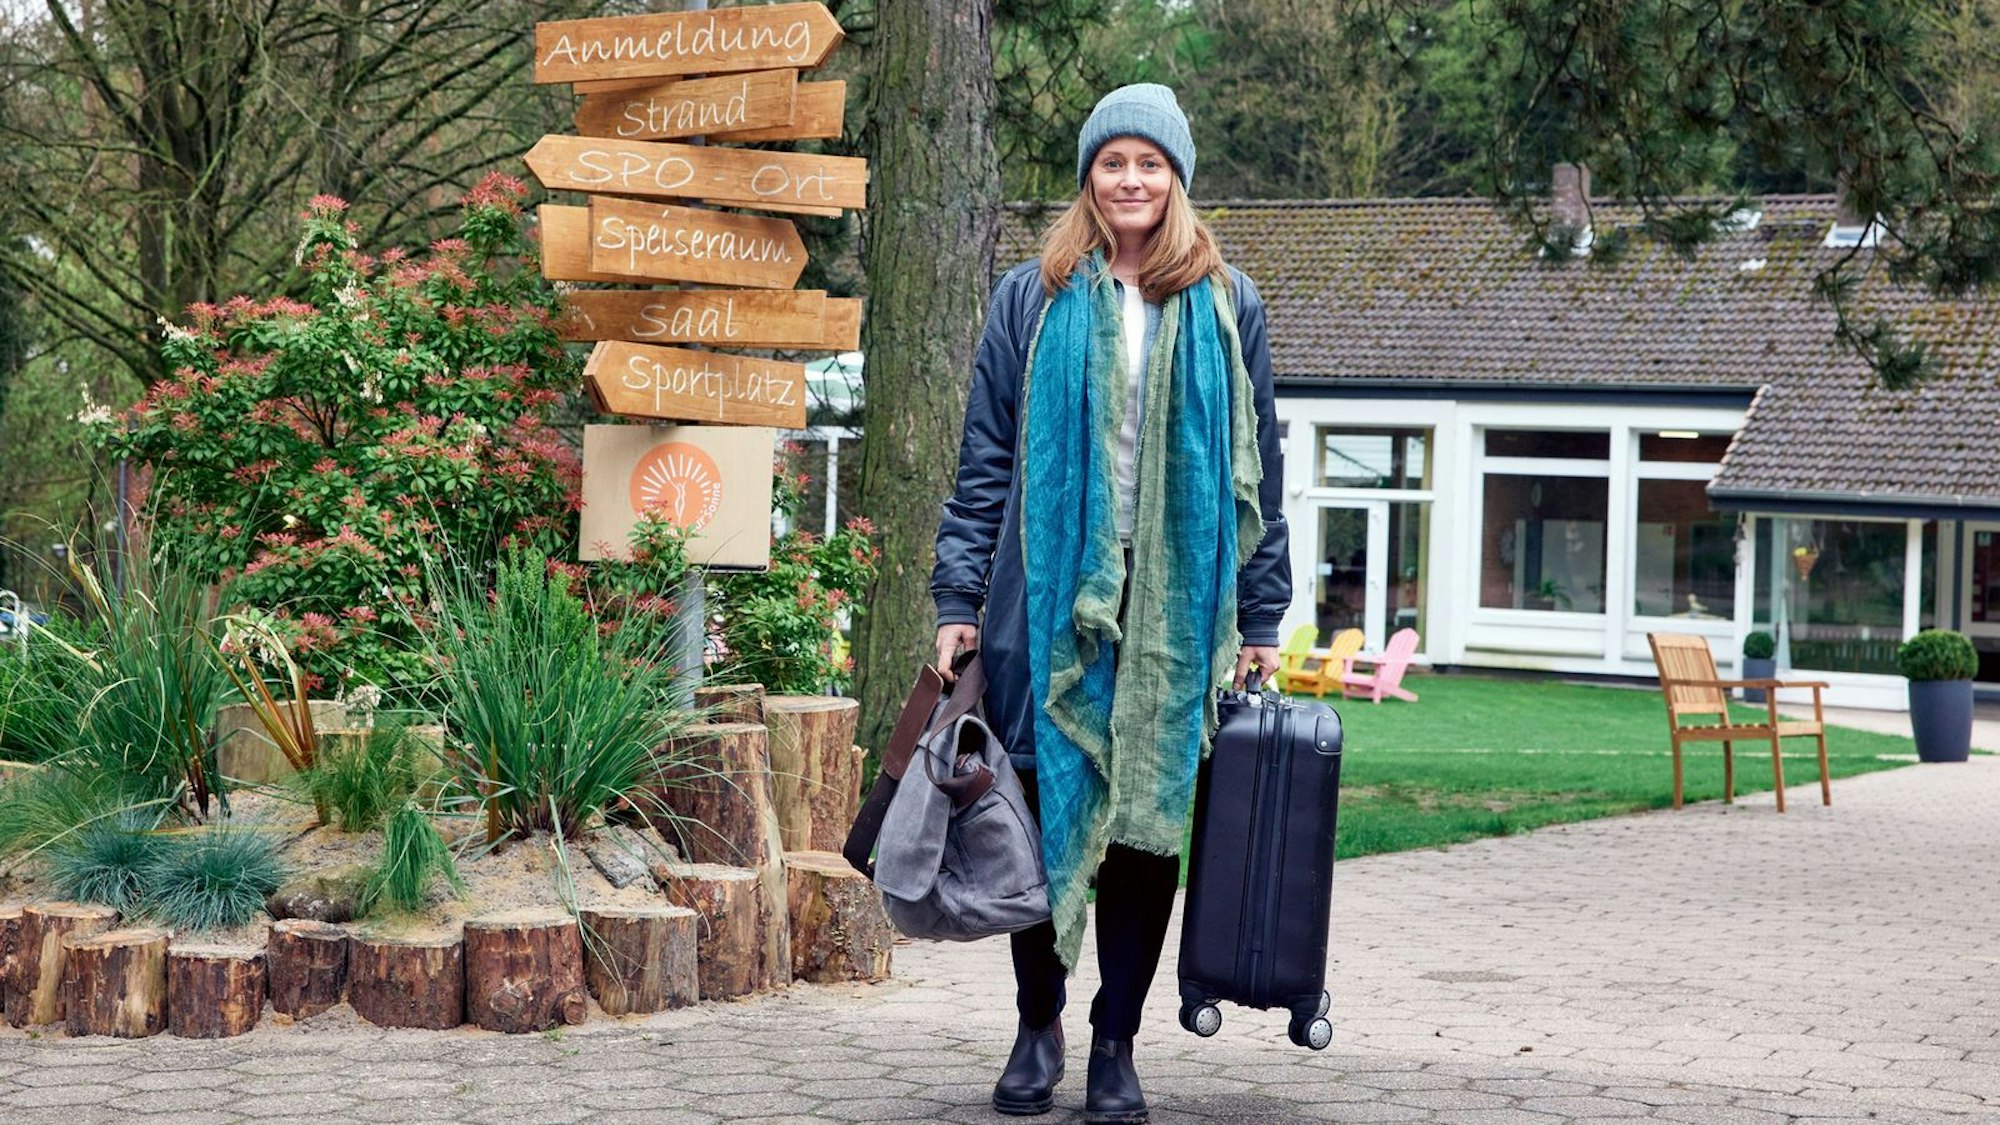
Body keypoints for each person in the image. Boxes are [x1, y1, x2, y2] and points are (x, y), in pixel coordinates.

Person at [930, 83, 1290, 1124]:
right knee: (1039, 819)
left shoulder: (1229, 304)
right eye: (1110, 163)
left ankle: (1115, 1041)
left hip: (1172, 613)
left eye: (1149, 164)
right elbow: (985, 460)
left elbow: (1255, 475)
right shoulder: (1030, 298)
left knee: (1143, 825)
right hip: (1040, 604)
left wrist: (1259, 619)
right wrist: (957, 594)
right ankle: (1036, 1020)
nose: (1129, 181)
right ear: (1086, 178)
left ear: (1176, 178)